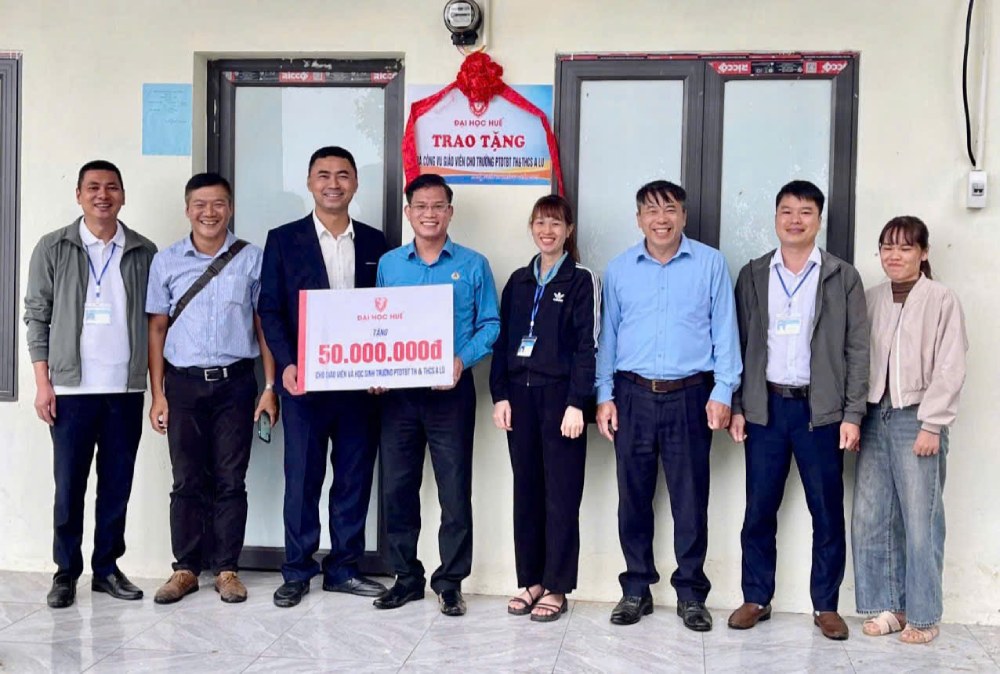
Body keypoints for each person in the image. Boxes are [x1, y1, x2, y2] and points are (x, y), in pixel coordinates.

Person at [595, 180, 741, 631]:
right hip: (632, 395)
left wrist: (723, 391)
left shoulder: (711, 264)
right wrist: (604, 395)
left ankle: (691, 594)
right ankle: (636, 589)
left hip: (691, 397)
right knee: (633, 499)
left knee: (690, 499)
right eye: (652, 211)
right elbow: (609, 338)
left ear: (683, 215)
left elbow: (725, 331)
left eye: (670, 209)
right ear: (638, 218)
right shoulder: (619, 270)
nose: (662, 219)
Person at [727, 180, 868, 641]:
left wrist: (852, 414)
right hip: (766, 408)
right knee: (759, 509)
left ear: (819, 220)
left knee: (826, 511)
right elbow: (739, 345)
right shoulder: (752, 274)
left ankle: (825, 605)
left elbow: (856, 350)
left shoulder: (841, 276)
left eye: (805, 212)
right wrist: (738, 405)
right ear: (775, 218)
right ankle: (755, 597)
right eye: (786, 211)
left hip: (819, 412)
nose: (795, 220)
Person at [259, 146, 389, 608]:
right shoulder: (283, 239)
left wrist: (385, 367)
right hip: (305, 385)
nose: (333, 183)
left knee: (353, 479)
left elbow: (390, 314)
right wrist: (287, 365)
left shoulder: (378, 243)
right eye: (323, 175)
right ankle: (296, 569)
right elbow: (270, 310)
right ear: (310, 182)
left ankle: (344, 569)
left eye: (343, 175)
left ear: (355, 183)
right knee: (303, 480)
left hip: (360, 387)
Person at [24, 160, 157, 608]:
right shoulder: (53, 246)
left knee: (116, 484)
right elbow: (36, 317)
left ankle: (106, 569)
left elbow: (157, 321)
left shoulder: (143, 250)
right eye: (94, 187)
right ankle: (66, 572)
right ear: (79, 195)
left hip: (124, 389)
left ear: (123, 195)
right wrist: (43, 384)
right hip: (71, 391)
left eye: (112, 187)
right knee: (69, 486)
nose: (103, 195)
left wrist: (156, 390)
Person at [146, 173, 278, 604]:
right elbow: (157, 329)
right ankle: (185, 568)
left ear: (231, 208)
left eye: (218, 203)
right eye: (200, 204)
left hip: (236, 384)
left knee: (230, 479)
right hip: (182, 384)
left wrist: (270, 385)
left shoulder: (251, 259)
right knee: (186, 479)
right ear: (187, 209)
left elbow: (264, 326)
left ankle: (226, 569)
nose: (209, 212)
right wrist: (158, 393)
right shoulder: (166, 261)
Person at [373, 173, 500, 617]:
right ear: (408, 213)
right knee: (397, 490)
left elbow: (491, 325)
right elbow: (376, 325)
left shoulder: (474, 263)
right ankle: (406, 577)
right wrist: (376, 368)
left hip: (451, 394)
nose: (429, 213)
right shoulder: (390, 265)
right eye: (420, 206)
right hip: (398, 397)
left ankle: (450, 582)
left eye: (438, 206)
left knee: (454, 490)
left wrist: (461, 360)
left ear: (450, 211)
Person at [852, 216, 967, 645]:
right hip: (874, 415)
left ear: (923, 253)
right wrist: (855, 415)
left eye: (904, 248)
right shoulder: (872, 298)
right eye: (886, 247)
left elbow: (951, 364)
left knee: (921, 519)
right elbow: (859, 359)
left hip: (917, 417)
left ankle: (924, 614)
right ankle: (891, 608)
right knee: (871, 516)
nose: (894, 256)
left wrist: (932, 424)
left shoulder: (941, 300)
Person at [489, 195, 599, 622]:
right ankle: (530, 579)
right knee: (527, 491)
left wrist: (578, 403)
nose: (547, 231)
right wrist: (500, 395)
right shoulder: (518, 281)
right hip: (520, 399)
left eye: (555, 223)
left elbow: (588, 347)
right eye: (539, 223)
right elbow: (502, 344)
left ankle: (557, 585)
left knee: (562, 494)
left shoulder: (581, 280)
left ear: (568, 230)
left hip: (560, 401)